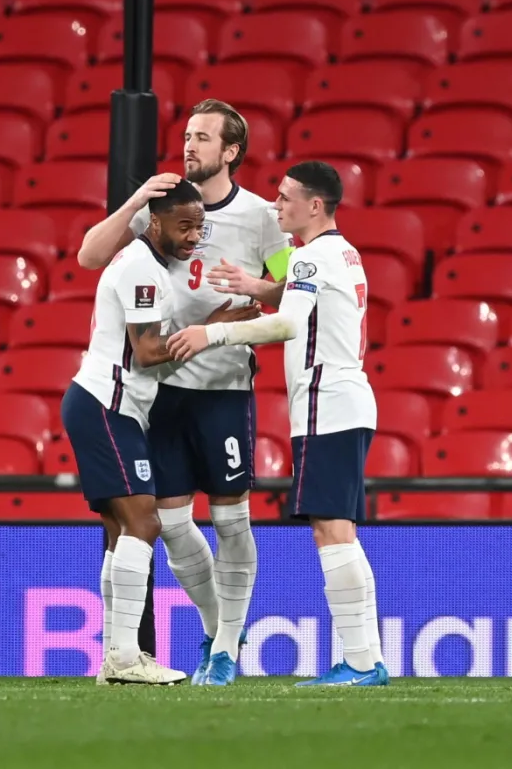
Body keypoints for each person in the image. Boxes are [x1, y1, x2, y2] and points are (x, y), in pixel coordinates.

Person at [77, 100, 291, 685]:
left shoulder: (261, 218)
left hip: (222, 387)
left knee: (230, 521)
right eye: (188, 135)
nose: (189, 145)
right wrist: (135, 199)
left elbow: (291, 298)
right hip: (158, 393)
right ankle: (221, 629)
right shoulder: (160, 202)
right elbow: (90, 256)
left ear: (231, 151)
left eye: (203, 138)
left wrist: (253, 293)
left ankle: (221, 648)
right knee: (169, 523)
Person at [170, 161, 388, 687]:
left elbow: (291, 322)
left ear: (316, 205)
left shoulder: (311, 257)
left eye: (287, 197)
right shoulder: (341, 253)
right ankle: (365, 658)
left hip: (326, 403)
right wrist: (255, 286)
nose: (276, 204)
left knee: (332, 530)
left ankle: (362, 662)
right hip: (345, 400)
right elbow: (298, 304)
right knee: (339, 531)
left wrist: (210, 335)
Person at [65, 178, 254, 685]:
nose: (195, 236)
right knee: (146, 523)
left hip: (109, 405)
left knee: (118, 533)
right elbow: (147, 353)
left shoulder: (153, 265)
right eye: (184, 225)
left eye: (200, 225)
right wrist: (212, 328)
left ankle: (115, 656)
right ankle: (127, 658)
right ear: (155, 222)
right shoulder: (142, 268)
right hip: (109, 405)